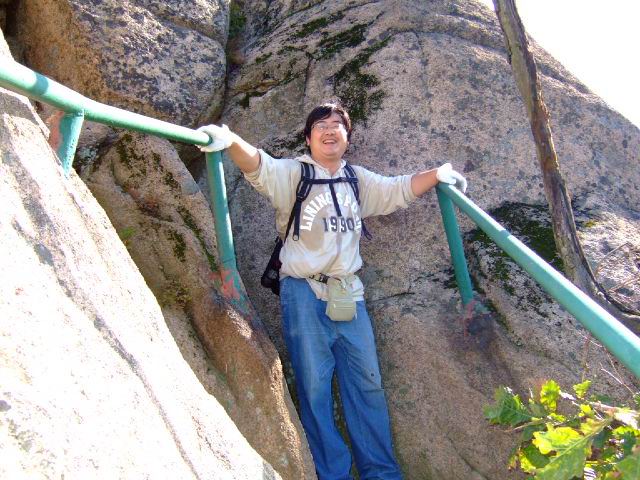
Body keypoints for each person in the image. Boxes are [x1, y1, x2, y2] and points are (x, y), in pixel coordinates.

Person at [197, 103, 466, 480]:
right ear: (308, 138)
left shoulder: (357, 180)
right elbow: (259, 165)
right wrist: (230, 141)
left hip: (349, 294)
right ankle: (332, 474)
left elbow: (399, 189)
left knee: (368, 384)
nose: (329, 130)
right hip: (303, 292)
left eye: (337, 125)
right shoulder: (295, 174)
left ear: (347, 137)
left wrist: (437, 174)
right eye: (320, 125)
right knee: (315, 387)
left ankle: (381, 473)